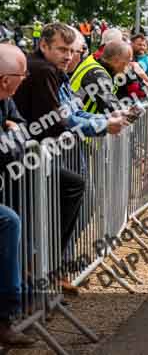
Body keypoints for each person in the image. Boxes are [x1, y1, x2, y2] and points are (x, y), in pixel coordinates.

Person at [12, 24, 126, 294]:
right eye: (62, 49)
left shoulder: (55, 71)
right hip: (28, 158)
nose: (68, 56)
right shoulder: (43, 70)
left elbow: (72, 110)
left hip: (39, 155)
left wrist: (103, 121)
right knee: (38, 209)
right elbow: (56, 121)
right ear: (44, 47)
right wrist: (102, 124)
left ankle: (47, 268)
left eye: (72, 50)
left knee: (67, 193)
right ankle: (41, 269)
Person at [0, 43, 36, 347]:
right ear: (4, 80)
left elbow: (24, 129)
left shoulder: (6, 101)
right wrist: (12, 137)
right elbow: (9, 152)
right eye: (21, 75)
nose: (25, 80)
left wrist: (13, 134)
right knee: (8, 220)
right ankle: (5, 317)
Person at [70, 41, 133, 115]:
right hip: (77, 121)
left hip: (80, 119)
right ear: (116, 60)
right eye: (127, 62)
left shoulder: (93, 61)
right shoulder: (97, 74)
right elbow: (110, 106)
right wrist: (128, 112)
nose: (128, 67)